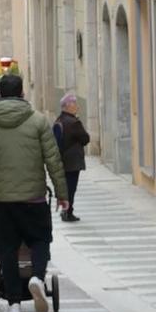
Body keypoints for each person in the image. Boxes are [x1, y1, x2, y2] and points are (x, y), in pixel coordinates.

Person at [0, 73, 66, 312]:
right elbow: (53, 160)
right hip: (34, 197)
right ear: (22, 94)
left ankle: (14, 302)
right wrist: (62, 193)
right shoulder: (38, 121)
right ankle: (37, 277)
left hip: (3, 199)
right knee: (39, 240)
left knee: (6, 247)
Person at [53, 94, 89, 223]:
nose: (77, 106)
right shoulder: (74, 122)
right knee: (71, 188)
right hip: (73, 161)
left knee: (65, 187)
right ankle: (68, 212)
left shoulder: (58, 120)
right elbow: (86, 139)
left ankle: (65, 210)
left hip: (62, 159)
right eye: (74, 104)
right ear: (67, 106)